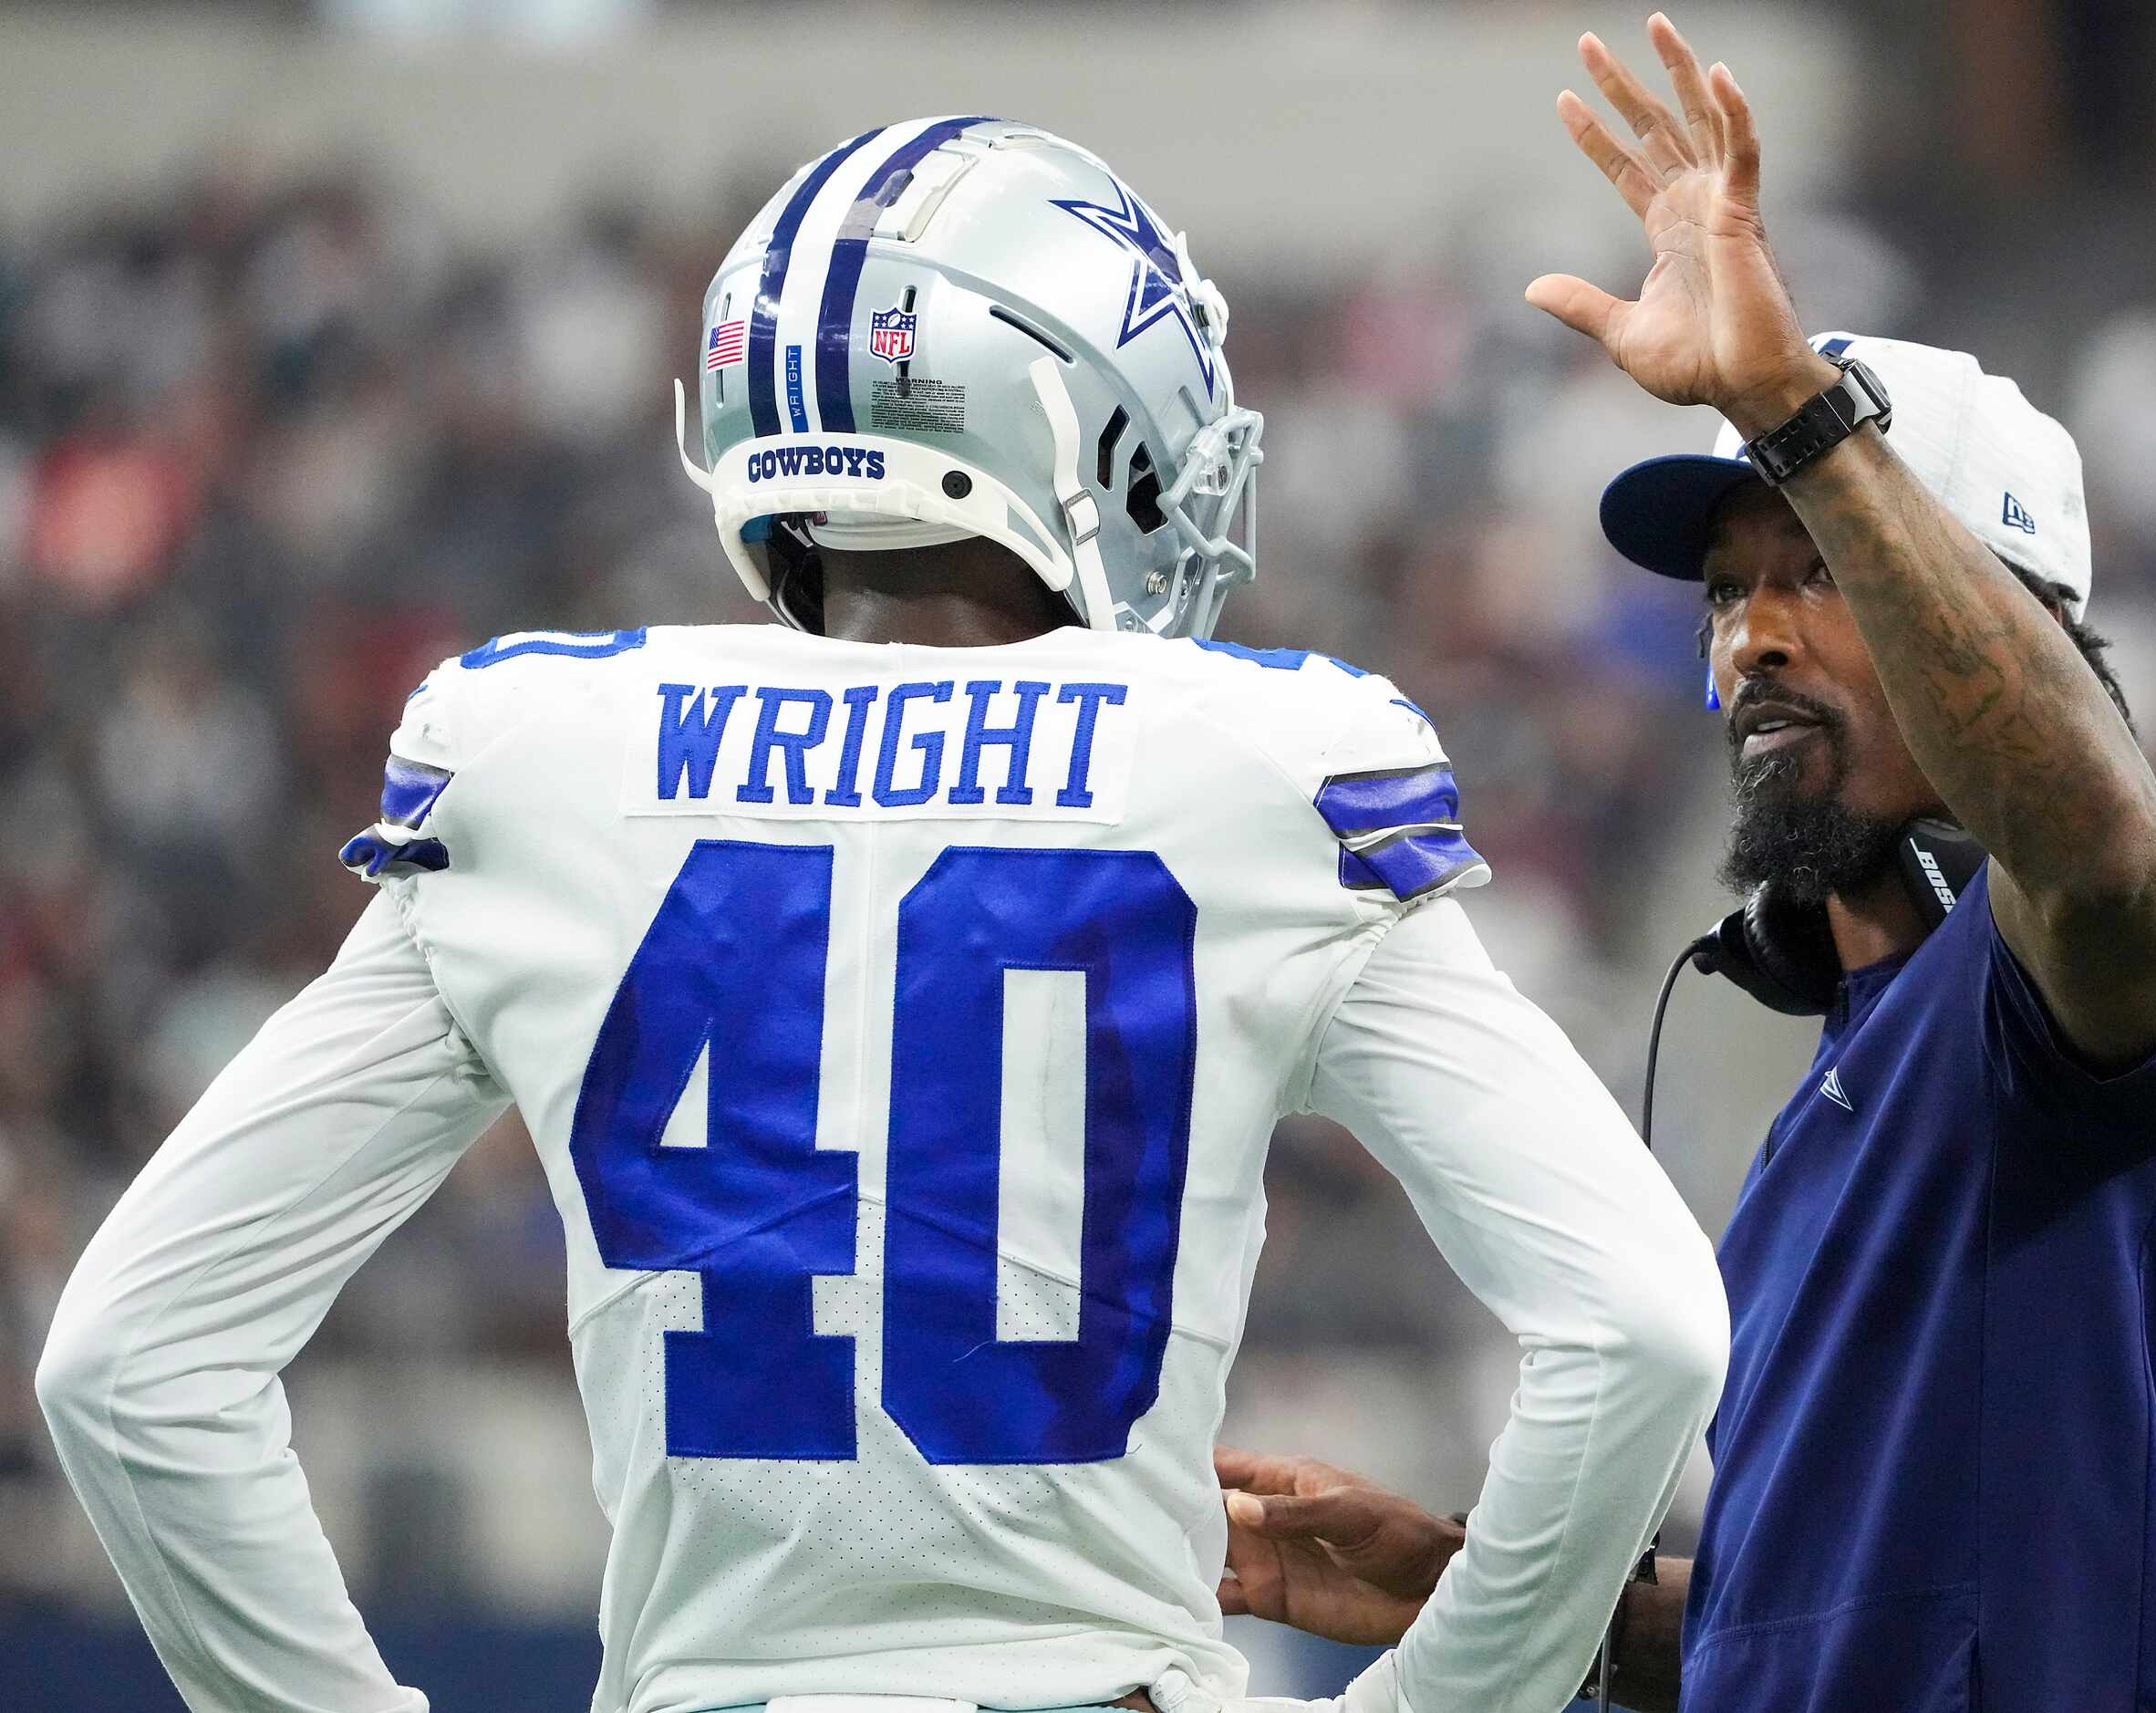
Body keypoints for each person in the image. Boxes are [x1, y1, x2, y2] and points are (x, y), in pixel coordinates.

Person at [35, 119, 1728, 1713]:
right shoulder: (1267, 766)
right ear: (1071, 414)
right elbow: (1640, 1328)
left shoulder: (537, 758)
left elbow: (129, 1367)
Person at [1218, 19, 2156, 1713]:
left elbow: (2098, 854)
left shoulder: (2093, 992)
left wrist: (1793, 405)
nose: (1752, 642)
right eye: (1730, 593)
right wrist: (1486, 1589)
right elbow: (1805, 1622)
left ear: (2001, 627)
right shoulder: (1831, 1091)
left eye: (1817, 572)